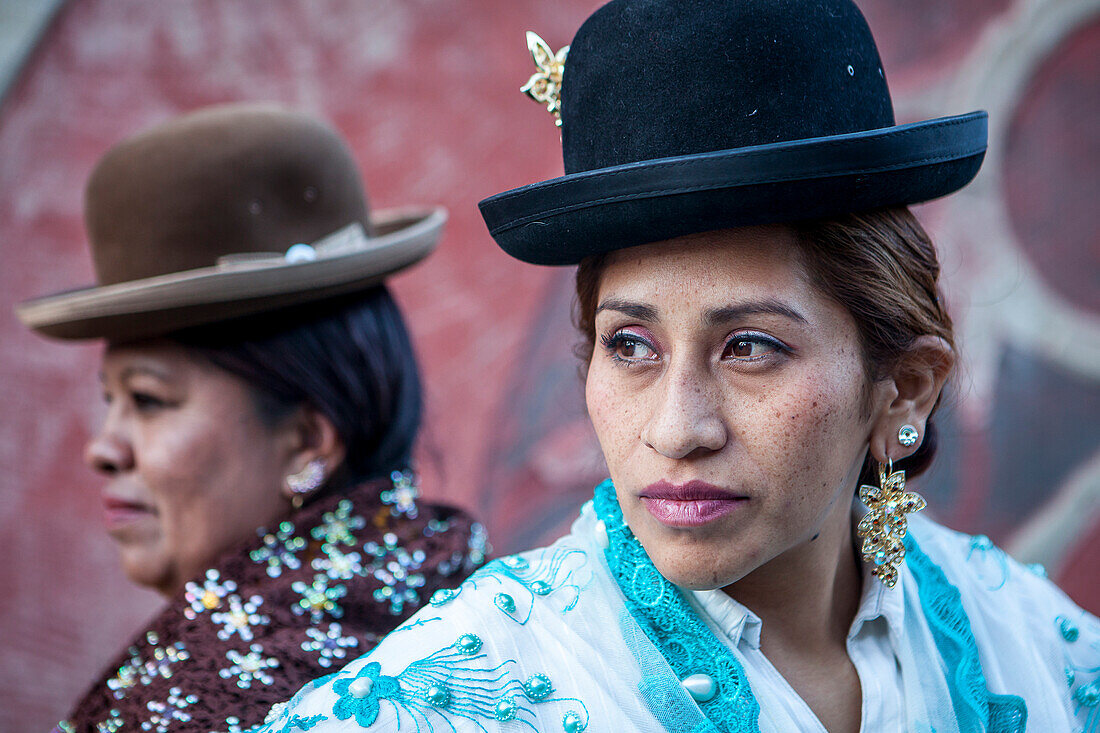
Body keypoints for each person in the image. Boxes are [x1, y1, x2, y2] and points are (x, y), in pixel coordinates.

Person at [247, 2, 1099, 732]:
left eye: (750, 347)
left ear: (904, 386)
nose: (676, 428)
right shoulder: (458, 696)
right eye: (630, 346)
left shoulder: (1029, 646)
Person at [17, 103, 488, 733]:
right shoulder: (465, 587)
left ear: (305, 442)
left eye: (150, 400)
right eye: (112, 400)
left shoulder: (193, 707)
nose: (102, 449)